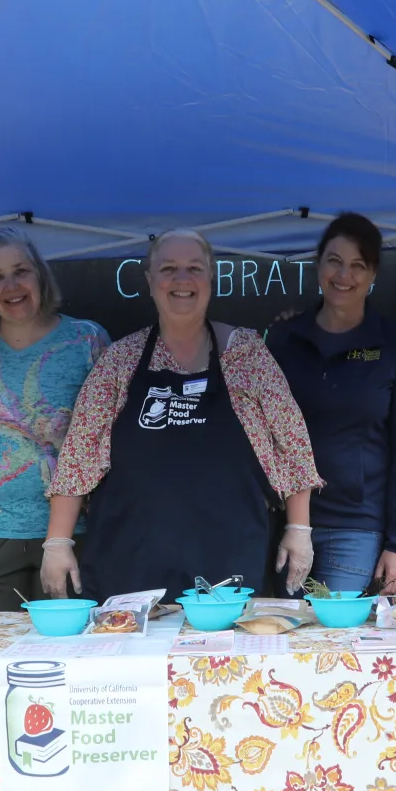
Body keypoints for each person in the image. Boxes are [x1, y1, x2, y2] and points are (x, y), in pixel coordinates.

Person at [43, 230, 322, 600]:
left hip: (228, 560)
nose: (182, 279)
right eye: (169, 268)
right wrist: (58, 542)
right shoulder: (120, 361)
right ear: (149, 279)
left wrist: (299, 529)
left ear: (211, 278)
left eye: (194, 268)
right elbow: (79, 455)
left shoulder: (246, 354)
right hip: (131, 563)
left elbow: (293, 444)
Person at [265, 212, 396, 594]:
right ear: (318, 265)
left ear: (373, 275)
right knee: (283, 642)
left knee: (337, 640)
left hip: (356, 527)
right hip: (281, 524)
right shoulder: (284, 339)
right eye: (334, 261)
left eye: (358, 266)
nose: (344, 275)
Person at [0, 227, 111, 611]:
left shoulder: (86, 340)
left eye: (21, 270)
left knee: (68, 652)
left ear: (40, 275)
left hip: (72, 534)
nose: (11, 285)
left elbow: (108, 437)